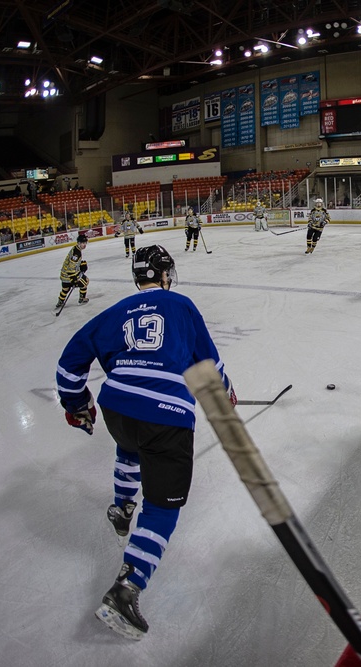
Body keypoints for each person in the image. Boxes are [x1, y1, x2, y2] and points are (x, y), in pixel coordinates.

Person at [55, 245, 236, 640]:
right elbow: (208, 364)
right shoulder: (181, 305)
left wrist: (79, 406)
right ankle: (126, 589)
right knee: (162, 506)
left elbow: (69, 363)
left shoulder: (115, 312)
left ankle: (120, 508)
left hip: (118, 408)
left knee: (130, 448)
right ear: (165, 274)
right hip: (165, 415)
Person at [55, 233, 89, 313]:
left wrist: (81, 265)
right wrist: (74, 279)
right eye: (82, 243)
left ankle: (60, 301)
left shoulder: (75, 249)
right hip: (69, 275)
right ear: (78, 243)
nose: (84, 245)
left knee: (65, 288)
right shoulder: (77, 253)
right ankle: (82, 298)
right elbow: (71, 268)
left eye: (85, 243)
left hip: (64, 274)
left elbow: (72, 264)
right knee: (85, 281)